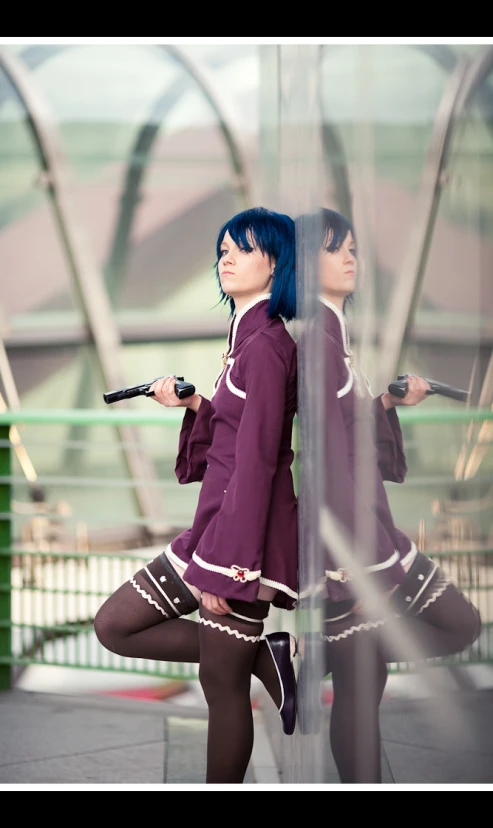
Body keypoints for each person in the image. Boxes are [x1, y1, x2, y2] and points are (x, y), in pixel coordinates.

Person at [94, 206, 298, 784]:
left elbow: (257, 464)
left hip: (239, 544)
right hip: (216, 529)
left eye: (243, 249)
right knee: (115, 624)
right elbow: (238, 436)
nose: (225, 258)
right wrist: (193, 407)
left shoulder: (264, 347)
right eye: (223, 249)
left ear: (277, 263)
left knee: (222, 689)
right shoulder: (247, 338)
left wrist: (227, 573)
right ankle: (266, 655)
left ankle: (257, 658)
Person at [296, 208, 482, 783]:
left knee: (362, 692)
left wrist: (388, 404)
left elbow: (341, 437)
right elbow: (320, 459)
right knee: (459, 624)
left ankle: (324, 655)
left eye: (353, 247)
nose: (352, 257)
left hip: (365, 537)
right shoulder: (320, 343)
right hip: (361, 547)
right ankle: (320, 654)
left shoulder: (332, 335)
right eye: (336, 248)